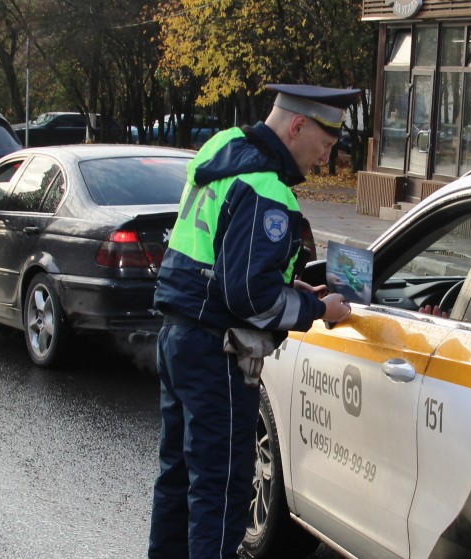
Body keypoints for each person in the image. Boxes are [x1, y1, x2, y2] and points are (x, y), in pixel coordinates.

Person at [148, 84, 359, 559]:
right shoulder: (268, 188)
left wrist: (289, 289)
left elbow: (221, 259)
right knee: (220, 493)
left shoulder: (222, 146)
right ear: (297, 126)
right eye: (324, 145)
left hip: (178, 334)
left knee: (178, 479)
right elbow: (246, 296)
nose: (324, 160)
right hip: (217, 353)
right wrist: (318, 309)